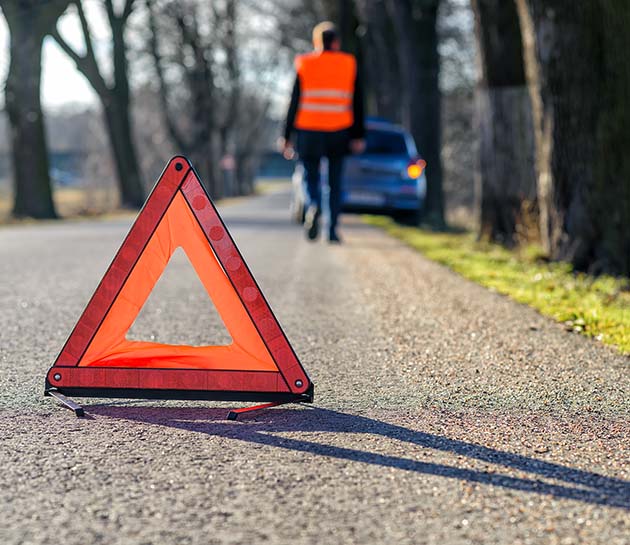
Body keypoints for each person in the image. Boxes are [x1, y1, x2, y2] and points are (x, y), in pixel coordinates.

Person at [280, 21, 365, 243]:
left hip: (308, 131)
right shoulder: (348, 64)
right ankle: (333, 230)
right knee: (335, 183)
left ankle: (314, 205)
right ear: (336, 42)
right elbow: (358, 102)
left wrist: (286, 136)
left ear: (316, 42)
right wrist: (358, 135)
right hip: (339, 131)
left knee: (310, 177)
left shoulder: (305, 64)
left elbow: (293, 102)